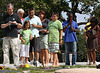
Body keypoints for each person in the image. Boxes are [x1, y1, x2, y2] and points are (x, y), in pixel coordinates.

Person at [0, 3, 22, 67]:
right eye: (8, 9)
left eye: (10, 9)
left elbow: (20, 26)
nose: (9, 10)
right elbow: (1, 26)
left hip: (14, 36)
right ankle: (6, 64)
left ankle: (16, 64)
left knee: (15, 50)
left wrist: (16, 24)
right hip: (6, 35)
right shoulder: (5, 16)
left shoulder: (16, 16)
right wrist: (7, 24)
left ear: (13, 9)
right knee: (5, 50)